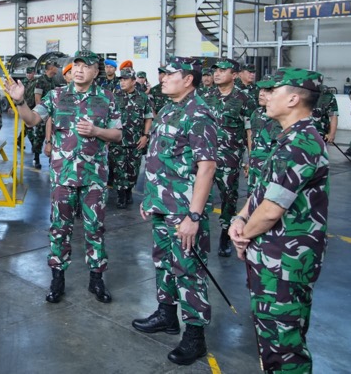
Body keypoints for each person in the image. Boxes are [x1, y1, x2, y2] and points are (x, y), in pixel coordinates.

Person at [229, 68, 329, 374]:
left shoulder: (302, 143)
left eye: (274, 91)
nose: (266, 96)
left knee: (284, 347)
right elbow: (262, 191)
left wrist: (243, 234)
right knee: (271, 339)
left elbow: (272, 209)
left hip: (286, 262)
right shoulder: (288, 138)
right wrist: (240, 216)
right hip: (272, 258)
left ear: (294, 98)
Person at [5, 51, 122, 304]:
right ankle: (57, 279)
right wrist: (20, 102)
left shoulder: (107, 98)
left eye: (85, 66)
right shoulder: (57, 96)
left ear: (95, 72)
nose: (79, 70)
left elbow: (117, 135)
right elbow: (33, 119)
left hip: (94, 178)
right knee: (59, 229)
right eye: (76, 65)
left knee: (95, 229)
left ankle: (97, 280)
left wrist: (97, 130)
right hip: (63, 177)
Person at [133, 57, 217, 366]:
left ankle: (195, 336)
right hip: (161, 205)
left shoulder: (199, 114)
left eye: (170, 74)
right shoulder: (169, 109)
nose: (163, 78)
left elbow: (207, 168)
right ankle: (167, 316)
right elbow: (157, 159)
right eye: (163, 73)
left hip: (183, 211)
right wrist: (149, 197)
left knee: (189, 272)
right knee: (163, 264)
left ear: (188, 80)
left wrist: (193, 217)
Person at [203, 58, 255, 257]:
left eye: (223, 71)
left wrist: (251, 159)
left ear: (234, 75)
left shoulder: (244, 99)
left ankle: (225, 235)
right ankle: (199, 233)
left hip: (229, 159)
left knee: (228, 198)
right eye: (215, 70)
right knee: (201, 196)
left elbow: (250, 131)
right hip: (205, 158)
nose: (217, 74)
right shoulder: (205, 96)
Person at [109, 69, 153, 209]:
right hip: (118, 141)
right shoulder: (114, 97)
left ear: (133, 81)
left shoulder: (143, 98)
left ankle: (128, 191)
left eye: (125, 79)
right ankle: (121, 195)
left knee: (133, 170)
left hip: (135, 141)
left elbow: (148, 118)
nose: (122, 82)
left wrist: (145, 136)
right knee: (118, 169)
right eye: (121, 79)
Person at [246, 86, 282, 196]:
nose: (261, 94)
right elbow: (252, 137)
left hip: (273, 171)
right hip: (255, 168)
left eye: (267, 90)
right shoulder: (256, 113)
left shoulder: (282, 116)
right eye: (260, 90)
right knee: (252, 200)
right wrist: (250, 160)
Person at [30, 60, 59, 169]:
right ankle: (36, 158)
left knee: (52, 137)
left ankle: (51, 161)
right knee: (39, 137)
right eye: (56, 67)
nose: (57, 69)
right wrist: (42, 116)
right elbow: (37, 99)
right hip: (43, 114)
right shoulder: (41, 81)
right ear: (51, 68)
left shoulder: (52, 81)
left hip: (51, 115)